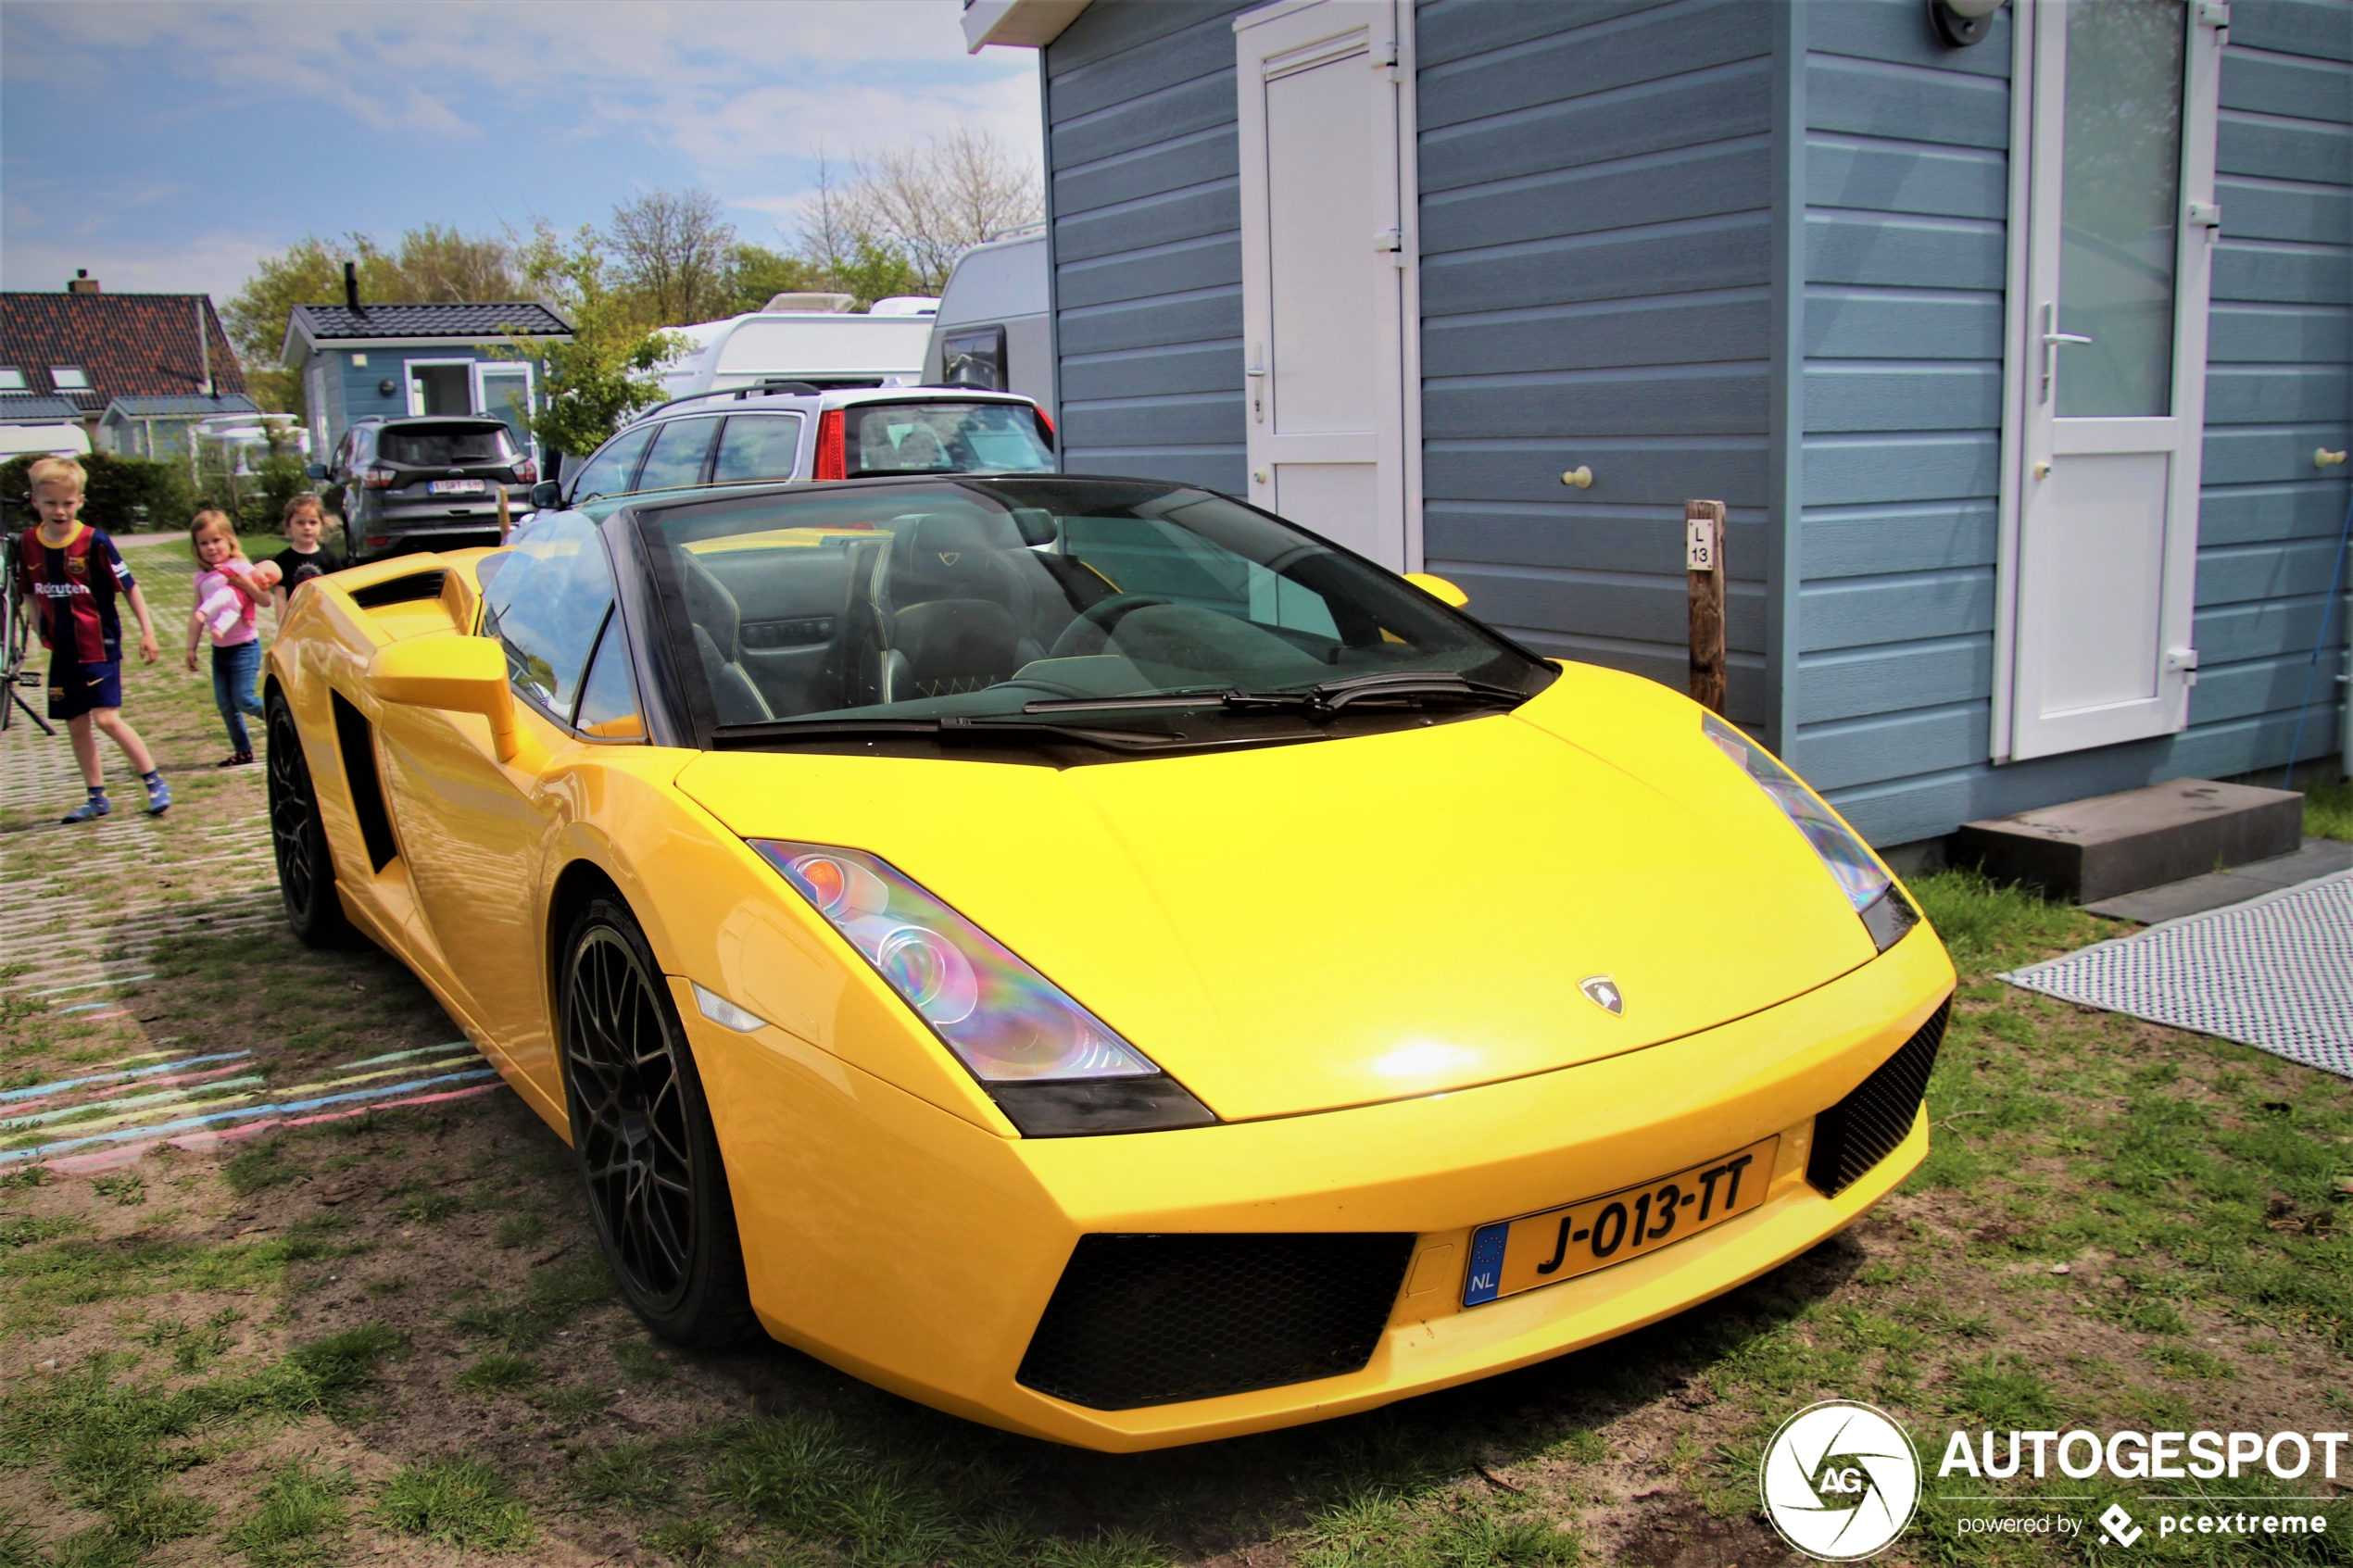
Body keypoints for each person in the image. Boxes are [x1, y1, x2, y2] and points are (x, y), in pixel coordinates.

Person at [13, 456, 170, 822]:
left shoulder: (94, 541)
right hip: (62, 650)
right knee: (76, 722)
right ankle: (96, 796)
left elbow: (129, 587)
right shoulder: (27, 543)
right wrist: (38, 627)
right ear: (35, 501)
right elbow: (30, 593)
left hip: (99, 645)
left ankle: (154, 780)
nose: (60, 510)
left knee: (106, 718)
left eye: (68, 503)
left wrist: (147, 631)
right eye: (50, 503)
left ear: (80, 500)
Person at [184, 509, 276, 767]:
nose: (211, 547)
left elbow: (265, 600)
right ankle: (243, 751)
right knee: (226, 705)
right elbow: (197, 614)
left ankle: (286, 720)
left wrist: (243, 582)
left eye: (216, 540)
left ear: (229, 542)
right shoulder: (201, 577)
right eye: (204, 543)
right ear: (196, 547)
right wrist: (190, 648)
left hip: (245, 647)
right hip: (220, 651)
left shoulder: (239, 567)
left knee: (244, 699)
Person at [270, 494, 344, 626]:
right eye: (300, 522)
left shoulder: (330, 558)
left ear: (322, 524)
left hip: (326, 621)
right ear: (288, 526)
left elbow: (339, 592)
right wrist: (282, 625)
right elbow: (280, 596)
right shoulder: (282, 561)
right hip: (297, 623)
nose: (307, 527)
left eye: (312, 522)